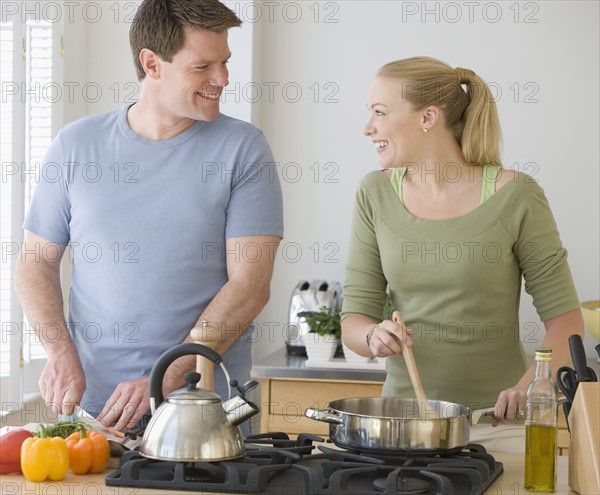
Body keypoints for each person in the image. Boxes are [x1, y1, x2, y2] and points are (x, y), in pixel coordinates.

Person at [15, 0, 283, 432]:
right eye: (203, 66)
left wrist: (167, 376)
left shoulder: (243, 149)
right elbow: (35, 261)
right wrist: (59, 353)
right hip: (94, 414)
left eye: (225, 63)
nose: (223, 79)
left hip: (205, 415)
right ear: (152, 64)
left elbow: (250, 286)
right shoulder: (75, 146)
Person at [341, 56, 584, 448]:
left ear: (428, 117)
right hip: (403, 427)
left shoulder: (516, 196)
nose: (368, 128)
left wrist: (531, 386)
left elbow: (567, 322)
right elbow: (354, 318)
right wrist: (372, 335)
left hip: (497, 426)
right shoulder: (374, 193)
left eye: (380, 112)